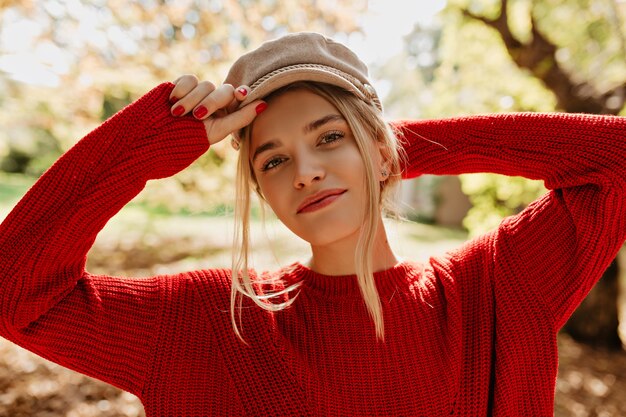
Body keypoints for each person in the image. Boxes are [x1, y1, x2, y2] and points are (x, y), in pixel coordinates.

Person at [0, 31, 624, 416]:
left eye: (329, 137)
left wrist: (397, 151)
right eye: (273, 159)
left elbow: (615, 161)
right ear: (262, 190)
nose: (304, 171)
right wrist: (143, 147)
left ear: (380, 150)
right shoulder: (203, 320)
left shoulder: (493, 286)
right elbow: (16, 292)